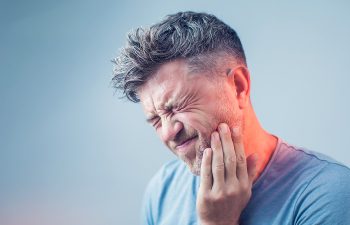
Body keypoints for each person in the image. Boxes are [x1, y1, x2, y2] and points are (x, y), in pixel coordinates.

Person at [112, 11, 350, 225]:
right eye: (155, 119)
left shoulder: (330, 194)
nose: (167, 132)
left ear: (238, 87)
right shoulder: (162, 190)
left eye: (176, 107)